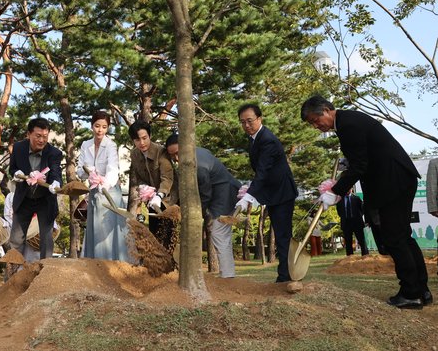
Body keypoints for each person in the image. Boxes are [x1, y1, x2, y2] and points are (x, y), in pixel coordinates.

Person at [301, 95, 431, 309]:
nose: (316, 126)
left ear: (326, 110)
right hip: (398, 179)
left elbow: (360, 166)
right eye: (312, 124)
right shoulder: (348, 121)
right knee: (403, 236)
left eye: (315, 120)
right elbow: (364, 156)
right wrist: (347, 163)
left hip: (393, 181)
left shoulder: (347, 125)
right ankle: (421, 290)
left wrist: (336, 191)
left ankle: (411, 292)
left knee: (394, 238)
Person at [235, 104, 298, 283]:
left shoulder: (267, 140)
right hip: (272, 192)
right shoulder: (254, 138)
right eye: (242, 122)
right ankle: (285, 274)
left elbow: (263, 172)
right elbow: (262, 173)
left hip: (282, 193)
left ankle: (286, 276)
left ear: (259, 119)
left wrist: (249, 195)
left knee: (283, 235)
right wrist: (252, 191)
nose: (246, 125)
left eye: (250, 121)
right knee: (280, 234)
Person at [165, 133, 240, 278]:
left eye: (177, 153)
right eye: (172, 155)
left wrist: (196, 214)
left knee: (219, 232)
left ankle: (228, 276)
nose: (176, 158)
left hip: (224, 193)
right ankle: (227, 273)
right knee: (222, 234)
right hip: (221, 193)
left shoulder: (199, 166)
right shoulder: (198, 151)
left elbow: (205, 194)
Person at [76, 111, 131, 261]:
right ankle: (94, 264)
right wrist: (90, 173)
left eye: (104, 127)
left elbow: (113, 169)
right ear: (92, 126)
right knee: (94, 228)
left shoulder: (111, 145)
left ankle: (108, 263)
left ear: (108, 128)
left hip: (110, 191)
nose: (100, 130)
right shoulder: (85, 145)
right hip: (94, 191)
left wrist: (104, 183)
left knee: (106, 230)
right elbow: (80, 170)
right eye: (97, 126)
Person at [9, 118, 63, 260]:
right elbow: (12, 168)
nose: (41, 140)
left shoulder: (54, 153)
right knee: (16, 239)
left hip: (45, 199)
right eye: (38, 136)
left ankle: (46, 277)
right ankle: (12, 277)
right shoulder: (18, 148)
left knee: (46, 239)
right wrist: (18, 174)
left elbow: (56, 172)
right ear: (28, 134)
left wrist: (56, 183)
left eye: (45, 137)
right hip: (24, 198)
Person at [127, 120, 177, 250]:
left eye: (144, 138)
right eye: (137, 140)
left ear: (150, 136)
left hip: (168, 198)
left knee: (168, 234)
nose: (142, 143)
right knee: (155, 233)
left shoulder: (161, 152)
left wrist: (159, 195)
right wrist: (144, 188)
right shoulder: (134, 154)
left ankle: (171, 266)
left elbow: (167, 178)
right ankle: (157, 265)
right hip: (151, 200)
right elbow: (139, 177)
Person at [335, 189, 369, 256]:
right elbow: (339, 212)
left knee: (361, 240)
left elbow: (362, 210)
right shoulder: (340, 200)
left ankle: (365, 255)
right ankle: (350, 257)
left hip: (357, 222)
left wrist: (357, 217)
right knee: (348, 242)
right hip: (346, 223)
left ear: (352, 189)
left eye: (349, 188)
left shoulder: (356, 198)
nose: (347, 190)